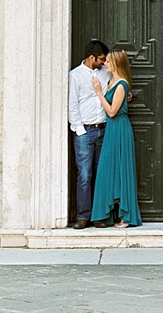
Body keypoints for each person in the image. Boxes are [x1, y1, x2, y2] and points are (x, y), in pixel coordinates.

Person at [89, 49, 142, 228]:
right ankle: (109, 213)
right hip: (113, 130)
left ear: (117, 64)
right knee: (109, 170)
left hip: (119, 129)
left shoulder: (121, 85)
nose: (105, 64)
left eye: (109, 62)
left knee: (121, 169)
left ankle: (126, 217)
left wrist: (98, 93)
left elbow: (112, 111)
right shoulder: (113, 81)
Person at [68, 39, 110, 228]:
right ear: (91, 57)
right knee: (84, 174)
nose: (103, 62)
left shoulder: (105, 74)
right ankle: (83, 216)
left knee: (101, 173)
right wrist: (79, 129)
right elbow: (73, 104)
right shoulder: (75, 75)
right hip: (85, 131)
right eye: (100, 59)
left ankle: (99, 215)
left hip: (103, 128)